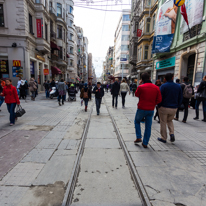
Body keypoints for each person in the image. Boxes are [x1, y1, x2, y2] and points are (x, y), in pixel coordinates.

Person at [134, 73, 162, 148]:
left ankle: (139, 137)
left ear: (142, 80)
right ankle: (145, 143)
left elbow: (136, 94)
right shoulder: (156, 88)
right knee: (148, 126)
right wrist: (153, 104)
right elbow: (159, 100)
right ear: (150, 78)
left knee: (137, 121)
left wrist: (139, 85)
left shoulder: (141, 87)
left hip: (141, 109)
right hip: (150, 109)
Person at [158, 73, 182, 143]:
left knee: (163, 122)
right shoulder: (178, 86)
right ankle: (172, 133)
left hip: (164, 107)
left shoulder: (163, 86)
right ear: (172, 78)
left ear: (165, 79)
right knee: (170, 121)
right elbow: (180, 97)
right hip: (174, 108)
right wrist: (177, 105)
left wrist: (159, 105)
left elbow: (160, 97)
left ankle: (163, 138)